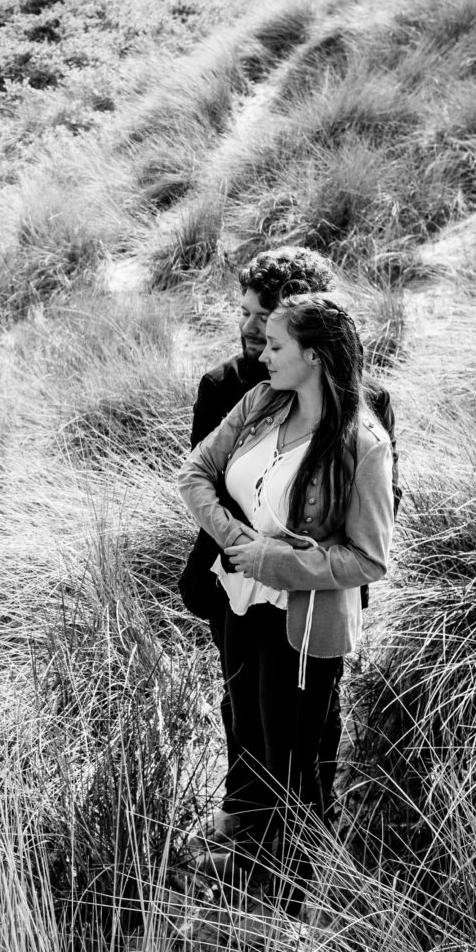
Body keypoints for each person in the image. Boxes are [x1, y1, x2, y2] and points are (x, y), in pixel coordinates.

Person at [178, 292, 396, 906]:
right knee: (250, 742)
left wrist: (275, 561)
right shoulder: (261, 402)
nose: (262, 354)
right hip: (237, 600)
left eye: (276, 346)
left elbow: (370, 558)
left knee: (293, 764)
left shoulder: (363, 443)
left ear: (315, 355)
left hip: (303, 621)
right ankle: (251, 873)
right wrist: (237, 543)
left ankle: (290, 901)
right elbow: (195, 473)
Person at [178, 248, 340, 843]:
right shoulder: (225, 386)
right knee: (241, 702)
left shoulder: (361, 404)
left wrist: (302, 559)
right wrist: (242, 547)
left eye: (263, 315)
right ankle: (243, 819)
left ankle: (310, 839)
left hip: (314, 590)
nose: (249, 327)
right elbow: (205, 482)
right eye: (244, 311)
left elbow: (378, 506)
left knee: (312, 718)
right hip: (235, 579)